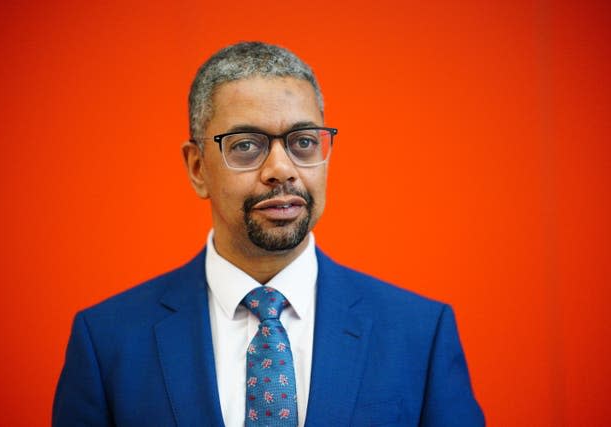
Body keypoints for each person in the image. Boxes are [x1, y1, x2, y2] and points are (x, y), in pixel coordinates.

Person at [53, 41, 484, 427]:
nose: (282, 169)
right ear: (197, 167)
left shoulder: (419, 333)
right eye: (246, 144)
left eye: (303, 142)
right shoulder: (108, 341)